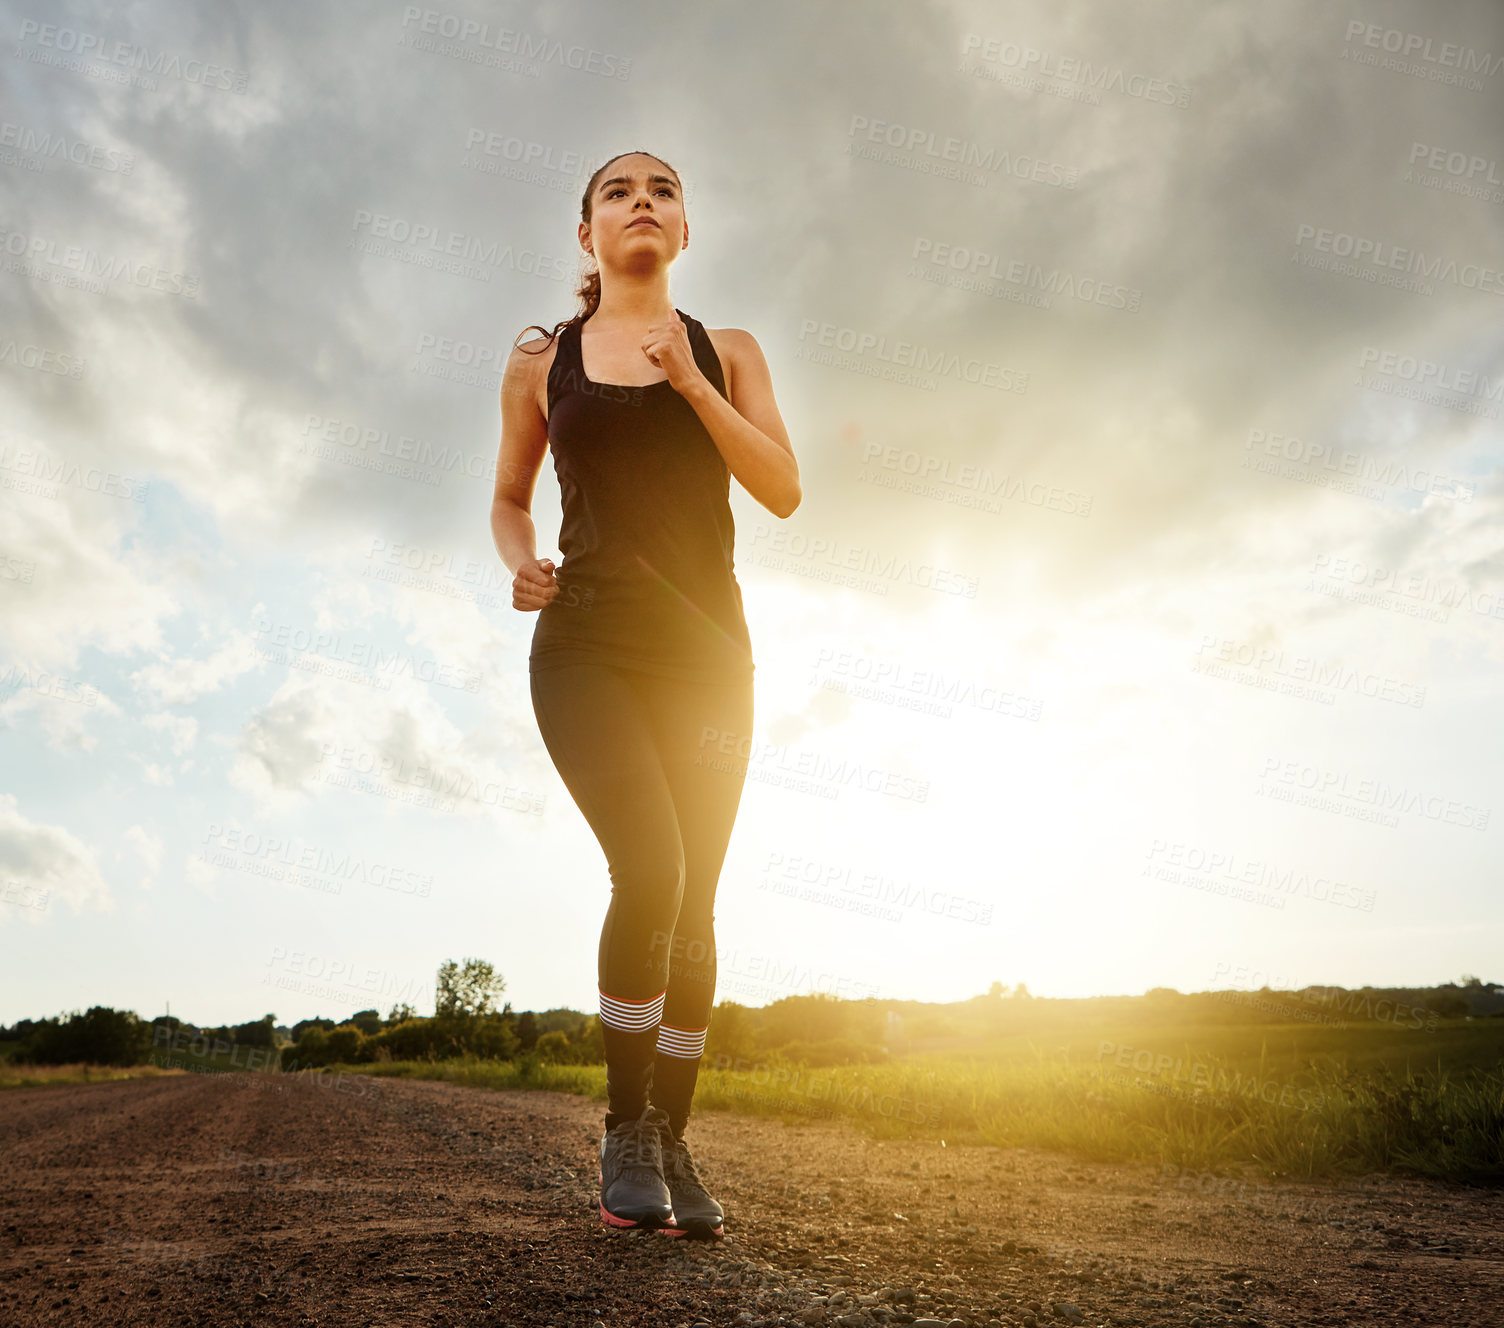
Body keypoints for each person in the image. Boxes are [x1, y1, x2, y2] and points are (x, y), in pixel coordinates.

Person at [490, 150, 800, 1237]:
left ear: (684, 229)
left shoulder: (730, 350)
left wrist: (691, 380)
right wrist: (517, 560)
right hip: (585, 647)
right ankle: (625, 1125)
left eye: (662, 190)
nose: (641, 203)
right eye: (618, 191)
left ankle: (672, 1135)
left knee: (698, 905)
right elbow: (508, 497)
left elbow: (782, 488)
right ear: (587, 234)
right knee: (651, 866)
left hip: (710, 654)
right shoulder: (542, 358)